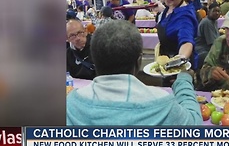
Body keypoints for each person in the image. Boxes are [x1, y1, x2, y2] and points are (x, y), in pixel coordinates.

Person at [66, 20, 202, 125]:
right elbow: (193, 124)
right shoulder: (162, 104)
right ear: (139, 61)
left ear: (95, 58)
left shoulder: (71, 104)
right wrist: (183, 81)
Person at [156, 0, 198, 86]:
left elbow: (186, 41)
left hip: (179, 72)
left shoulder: (185, 15)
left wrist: (180, 60)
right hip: (167, 68)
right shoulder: (169, 8)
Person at [195, 3, 221, 71]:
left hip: (207, 48)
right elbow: (212, 43)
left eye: (218, 11)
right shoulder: (207, 22)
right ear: (209, 11)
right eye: (215, 11)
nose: (217, 13)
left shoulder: (214, 21)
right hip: (202, 50)